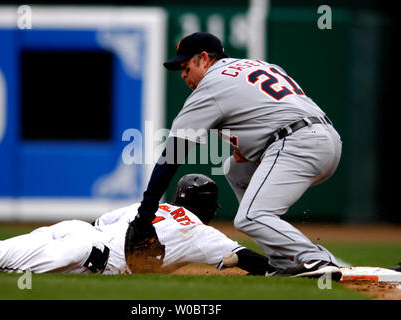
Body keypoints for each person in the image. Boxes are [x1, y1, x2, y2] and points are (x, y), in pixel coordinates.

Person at [125, 32, 343, 280]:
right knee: (235, 169)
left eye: (186, 67)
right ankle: (282, 261)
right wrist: (256, 145)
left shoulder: (212, 84)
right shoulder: (260, 65)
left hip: (298, 144)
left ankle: (316, 259)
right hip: (326, 140)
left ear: (204, 59)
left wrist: (145, 215)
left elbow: (172, 154)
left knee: (250, 217)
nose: (183, 75)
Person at [0, 174, 272, 276]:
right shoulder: (200, 233)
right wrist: (281, 268)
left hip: (77, 230)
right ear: (207, 208)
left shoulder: (153, 207)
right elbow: (246, 258)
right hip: (85, 253)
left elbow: (100, 222)